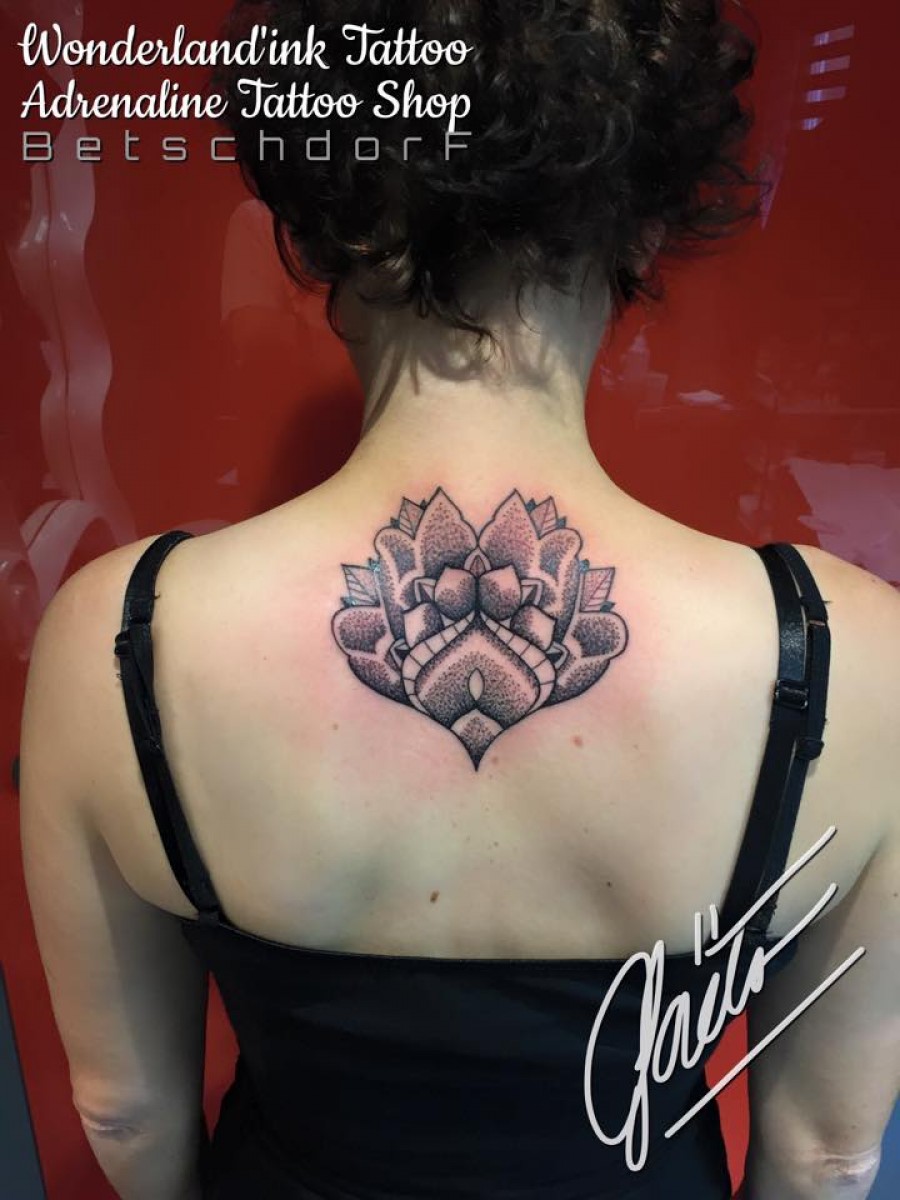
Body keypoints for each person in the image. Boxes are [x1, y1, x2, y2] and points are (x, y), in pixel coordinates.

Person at [18, 2, 899, 1198]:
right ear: (641, 226)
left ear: (320, 224)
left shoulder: (118, 639)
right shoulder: (854, 659)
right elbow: (829, 1157)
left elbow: (124, 1111)